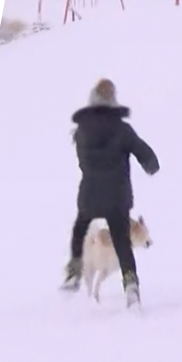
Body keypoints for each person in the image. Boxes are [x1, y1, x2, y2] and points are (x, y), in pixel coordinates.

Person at [61, 79, 159, 308]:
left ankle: (74, 271)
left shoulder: (81, 131)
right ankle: (131, 284)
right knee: (122, 241)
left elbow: (81, 156)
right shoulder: (122, 129)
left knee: (80, 228)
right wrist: (151, 165)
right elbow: (144, 152)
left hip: (91, 193)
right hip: (117, 195)